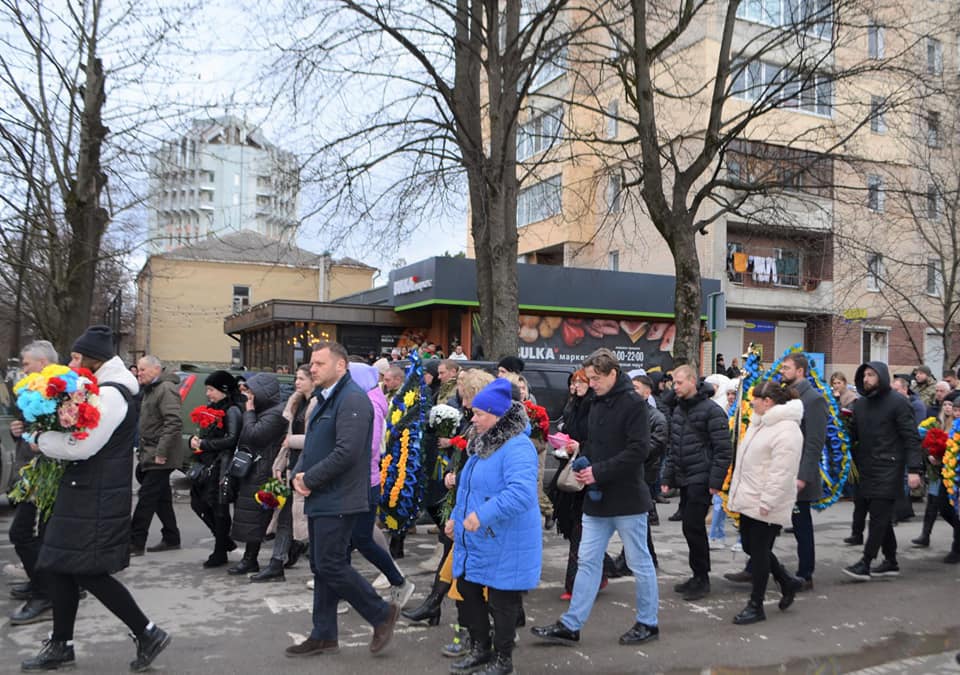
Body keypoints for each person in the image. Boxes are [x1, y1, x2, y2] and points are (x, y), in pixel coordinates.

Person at [22, 326, 170, 672]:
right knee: (57, 565)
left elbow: (83, 446)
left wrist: (42, 440)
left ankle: (147, 632)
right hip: (84, 491)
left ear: (95, 358)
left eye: (76, 357)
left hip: (96, 495)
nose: (71, 364)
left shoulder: (111, 394)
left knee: (87, 571)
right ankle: (62, 644)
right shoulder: (100, 389)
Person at [533, 349, 659, 649]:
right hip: (597, 497)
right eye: (589, 378)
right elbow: (598, 443)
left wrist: (597, 471)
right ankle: (571, 624)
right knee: (587, 561)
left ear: (613, 374)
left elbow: (639, 450)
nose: (592, 383)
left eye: (596, 378)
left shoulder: (633, 403)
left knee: (640, 562)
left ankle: (648, 622)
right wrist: (581, 453)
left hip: (626, 497)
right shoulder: (597, 403)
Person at [287, 342, 399, 658]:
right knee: (321, 566)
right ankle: (323, 634)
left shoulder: (352, 399)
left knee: (331, 564)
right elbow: (316, 445)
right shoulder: (328, 397)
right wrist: (299, 473)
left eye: (320, 363)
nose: (312, 368)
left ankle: (380, 613)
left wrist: (310, 478)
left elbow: (347, 453)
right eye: (311, 363)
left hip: (341, 496)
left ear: (341, 366)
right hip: (324, 494)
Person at [447, 378, 542, 674]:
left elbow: (522, 494)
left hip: (506, 538)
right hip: (479, 537)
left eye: (479, 413)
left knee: (503, 603)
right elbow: (469, 488)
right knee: (468, 588)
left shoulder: (518, 446)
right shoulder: (483, 439)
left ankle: (503, 660)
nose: (472, 418)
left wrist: (482, 515)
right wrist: (455, 519)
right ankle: (480, 648)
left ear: (498, 415)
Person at [726, 381, 805, 624]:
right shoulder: (761, 423)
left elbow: (782, 471)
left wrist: (768, 501)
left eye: (754, 399)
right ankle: (786, 580)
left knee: (759, 553)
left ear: (767, 401)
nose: (751, 403)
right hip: (751, 497)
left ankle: (756, 605)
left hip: (766, 501)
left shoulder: (787, 430)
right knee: (751, 546)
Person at [842, 361, 923, 581]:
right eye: (864, 375)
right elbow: (854, 436)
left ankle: (866, 563)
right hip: (867, 468)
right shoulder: (860, 405)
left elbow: (911, 438)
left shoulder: (898, 403)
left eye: (871, 374)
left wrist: (915, 469)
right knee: (882, 518)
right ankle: (891, 562)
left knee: (878, 517)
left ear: (882, 377)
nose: (866, 379)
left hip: (889, 467)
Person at [661, 365, 732, 601]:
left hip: (701, 477)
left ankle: (702, 578)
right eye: (674, 383)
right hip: (685, 476)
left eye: (679, 382)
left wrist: (715, 481)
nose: (675, 387)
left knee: (693, 526)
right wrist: (668, 477)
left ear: (693, 381)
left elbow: (723, 450)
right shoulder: (680, 410)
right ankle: (697, 574)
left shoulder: (712, 411)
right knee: (690, 527)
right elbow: (675, 447)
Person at [348, 362, 415, 606]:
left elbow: (370, 447)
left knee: (360, 539)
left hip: (363, 482)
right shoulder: (363, 401)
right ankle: (339, 592)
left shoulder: (371, 406)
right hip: (356, 481)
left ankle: (396, 581)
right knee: (347, 541)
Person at [8, 340, 59, 625]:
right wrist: (20, 432)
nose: (23, 369)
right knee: (34, 536)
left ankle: (45, 592)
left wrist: (38, 439)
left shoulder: (56, 390)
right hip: (32, 472)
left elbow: (59, 432)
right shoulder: (35, 389)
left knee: (24, 534)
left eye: (26, 363)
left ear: (41, 363)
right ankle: (42, 583)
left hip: (44, 475)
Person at [252, 366, 314, 581]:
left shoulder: (318, 404)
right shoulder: (297, 402)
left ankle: (323, 570)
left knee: (309, 523)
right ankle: (276, 563)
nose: (296, 382)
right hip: (293, 466)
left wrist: (293, 442)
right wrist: (278, 464)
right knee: (285, 517)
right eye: (296, 378)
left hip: (310, 470)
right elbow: (287, 440)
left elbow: (320, 439)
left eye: (301, 378)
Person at [229, 372, 287, 576]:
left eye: (250, 392)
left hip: (265, 471)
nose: (247, 397)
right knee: (254, 517)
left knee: (258, 517)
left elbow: (253, 435)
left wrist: (250, 411)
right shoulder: (266, 411)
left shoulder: (275, 413)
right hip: (256, 468)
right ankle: (251, 558)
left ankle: (252, 560)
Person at [781, 353, 827, 590]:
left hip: (800, 474)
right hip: (782, 472)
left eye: (786, 368)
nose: (782, 371)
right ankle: (754, 568)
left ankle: (805, 573)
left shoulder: (814, 399)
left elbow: (815, 442)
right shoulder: (786, 396)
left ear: (800, 371)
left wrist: (803, 475)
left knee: (801, 525)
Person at [189, 370, 243, 568]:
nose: (208, 394)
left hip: (223, 465)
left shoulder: (232, 411)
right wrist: (194, 441)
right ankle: (224, 541)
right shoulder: (213, 408)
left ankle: (220, 551)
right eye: (208, 389)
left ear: (224, 390)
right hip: (208, 463)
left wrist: (203, 444)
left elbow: (231, 439)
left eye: (211, 389)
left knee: (219, 509)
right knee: (198, 503)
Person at [130, 355, 183, 555]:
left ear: (155, 370)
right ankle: (171, 537)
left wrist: (161, 452)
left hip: (161, 455)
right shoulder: (151, 389)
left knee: (146, 498)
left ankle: (135, 542)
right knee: (161, 497)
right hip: (150, 451)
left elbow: (173, 422)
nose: (139, 373)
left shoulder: (166, 389)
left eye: (143, 369)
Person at [912, 391, 960, 562]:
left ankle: (956, 549)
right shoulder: (943, 424)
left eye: (957, 409)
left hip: (955, 475)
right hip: (946, 474)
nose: (955, 413)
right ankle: (926, 534)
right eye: (955, 409)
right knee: (943, 507)